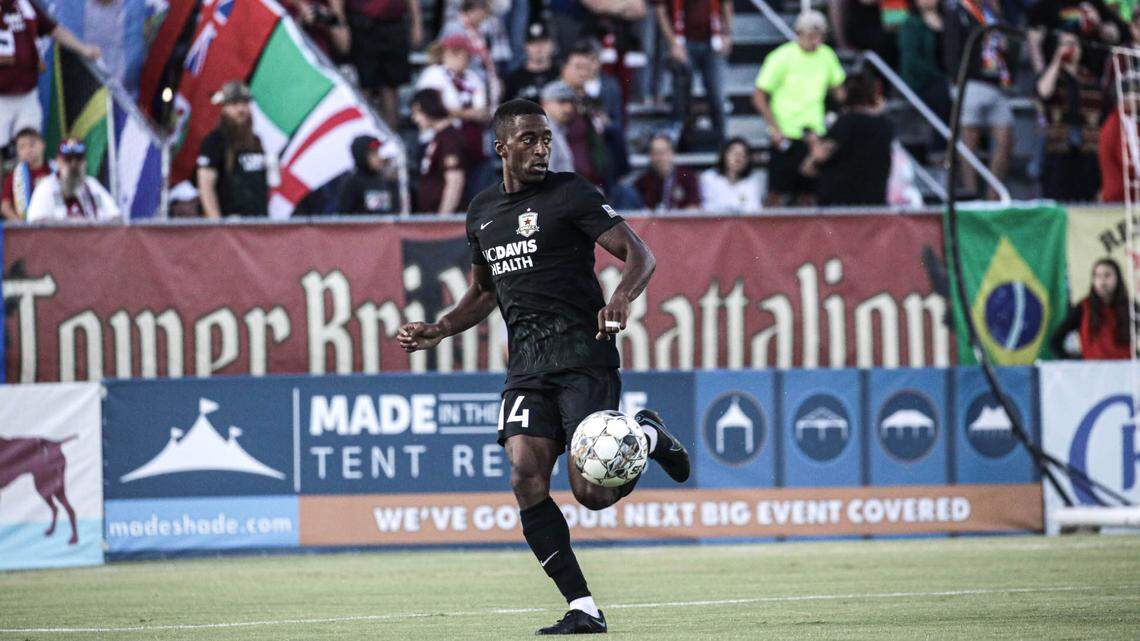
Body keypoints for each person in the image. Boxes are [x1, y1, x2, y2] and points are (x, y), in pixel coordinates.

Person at [397, 98, 689, 635]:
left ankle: (645, 435)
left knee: (591, 494)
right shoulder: (482, 211)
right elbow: (484, 292)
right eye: (529, 139)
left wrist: (620, 298)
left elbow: (640, 255)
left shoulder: (571, 193)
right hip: (528, 367)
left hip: (583, 358)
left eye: (547, 139)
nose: (541, 149)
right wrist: (440, 327)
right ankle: (583, 606)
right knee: (525, 477)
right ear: (501, 146)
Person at [752, 10, 846, 206]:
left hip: (814, 135)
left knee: (809, 195)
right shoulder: (781, 56)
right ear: (799, 33)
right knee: (776, 194)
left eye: (820, 36)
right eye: (811, 36)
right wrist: (774, 128)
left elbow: (840, 93)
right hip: (786, 134)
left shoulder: (827, 56)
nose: (816, 41)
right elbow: (759, 95)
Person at [0, 0, 100, 152]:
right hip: (2, 98)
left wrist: (83, 49)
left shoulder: (25, 5)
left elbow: (53, 29)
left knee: (31, 151)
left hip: (28, 95)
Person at [943, 0, 1013, 200]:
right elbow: (952, 52)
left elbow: (1004, 45)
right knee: (969, 141)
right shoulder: (957, 11)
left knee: (1006, 137)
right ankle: (971, 195)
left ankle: (992, 197)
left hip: (995, 83)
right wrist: (959, 81)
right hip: (969, 82)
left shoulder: (991, 12)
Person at [801, 73, 895, 206]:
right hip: (874, 200)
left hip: (840, 201)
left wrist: (813, 143)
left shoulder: (846, 122)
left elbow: (819, 156)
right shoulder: (885, 124)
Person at [653, 0, 734, 145]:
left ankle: (722, 141)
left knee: (717, 93)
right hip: (682, 41)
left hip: (712, 40)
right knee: (682, 86)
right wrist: (673, 43)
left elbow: (727, 3)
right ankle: (680, 138)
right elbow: (660, 10)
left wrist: (727, 34)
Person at [1036, 30, 1102, 202]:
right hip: (1058, 143)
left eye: (1075, 44)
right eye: (1066, 44)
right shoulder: (1052, 73)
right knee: (1057, 190)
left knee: (1086, 192)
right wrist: (1057, 61)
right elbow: (1043, 92)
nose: (1071, 48)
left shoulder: (1089, 77)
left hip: (1087, 144)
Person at [196, 81, 273, 218]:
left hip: (259, 222)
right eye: (235, 104)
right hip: (230, 223)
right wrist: (217, 223)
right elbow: (205, 187)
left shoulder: (256, 142)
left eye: (245, 103)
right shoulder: (214, 141)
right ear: (224, 108)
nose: (241, 109)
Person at [416, 33, 492, 167]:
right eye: (467, 54)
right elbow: (433, 108)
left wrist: (456, 112)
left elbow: (484, 113)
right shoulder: (433, 74)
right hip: (440, 144)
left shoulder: (473, 77)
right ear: (453, 53)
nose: (470, 58)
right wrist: (468, 113)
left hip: (474, 143)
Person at [345, 0, 423, 128]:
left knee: (391, 87)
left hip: (393, 25)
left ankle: (391, 133)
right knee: (364, 85)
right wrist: (340, 24)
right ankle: (362, 131)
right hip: (362, 27)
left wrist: (417, 23)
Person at [1051, 258, 1132, 359]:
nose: (1102, 281)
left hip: (1126, 367)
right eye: (1097, 276)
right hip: (1093, 367)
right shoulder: (1083, 308)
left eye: (1107, 275)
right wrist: (1074, 362)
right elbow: (1055, 341)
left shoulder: (1131, 308)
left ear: (1118, 278)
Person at [25, 139, 120, 222]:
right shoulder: (46, 187)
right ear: (58, 162)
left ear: (85, 162)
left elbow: (116, 217)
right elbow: (36, 224)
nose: (74, 164)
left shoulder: (92, 185)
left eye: (78, 159)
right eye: (68, 160)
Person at [410, 89, 467, 214]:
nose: (414, 119)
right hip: (432, 216)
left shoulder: (450, 139)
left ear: (428, 109)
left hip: (443, 218)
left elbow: (455, 181)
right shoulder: (439, 137)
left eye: (417, 113)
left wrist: (443, 218)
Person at [898, 0, 951, 129]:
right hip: (924, 81)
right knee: (942, 95)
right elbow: (912, 60)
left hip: (951, 76)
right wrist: (941, 76)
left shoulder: (950, 21)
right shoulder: (911, 24)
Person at [336, 135, 401, 214]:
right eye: (373, 154)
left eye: (378, 152)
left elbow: (394, 209)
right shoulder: (352, 183)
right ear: (361, 156)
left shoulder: (385, 180)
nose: (378, 157)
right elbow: (343, 214)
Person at [634, 133, 701, 210]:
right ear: (650, 156)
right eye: (655, 153)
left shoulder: (687, 177)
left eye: (663, 152)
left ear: (672, 153)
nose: (660, 157)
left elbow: (694, 207)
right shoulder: (642, 182)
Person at [699, 137, 764, 213]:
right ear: (724, 155)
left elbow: (754, 210)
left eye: (743, 155)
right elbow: (708, 208)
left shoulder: (752, 182)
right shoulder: (709, 178)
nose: (738, 158)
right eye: (734, 153)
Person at [1, 128, 51, 221]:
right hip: (25, 225)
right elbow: (5, 206)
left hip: (53, 223)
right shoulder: (13, 177)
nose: (28, 150)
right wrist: (20, 224)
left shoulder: (54, 171)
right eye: (22, 147)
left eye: (32, 144)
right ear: (17, 152)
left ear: (43, 145)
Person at [503, 21, 559, 102]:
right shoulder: (513, 79)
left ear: (552, 45)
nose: (539, 48)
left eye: (543, 42)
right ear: (525, 47)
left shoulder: (561, 74)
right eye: (533, 43)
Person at [538, 81, 578, 173]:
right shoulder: (540, 131)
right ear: (545, 103)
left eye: (571, 102)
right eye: (562, 101)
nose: (569, 108)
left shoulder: (560, 127)